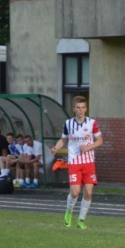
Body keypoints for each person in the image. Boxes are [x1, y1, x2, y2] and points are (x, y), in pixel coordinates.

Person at [51, 96, 103, 230]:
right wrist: (56, 148)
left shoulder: (92, 123)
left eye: (83, 107)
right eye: (78, 108)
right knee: (75, 192)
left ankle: (81, 220)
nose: (81, 110)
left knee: (88, 193)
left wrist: (88, 147)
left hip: (89, 162)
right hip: (74, 162)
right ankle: (69, 212)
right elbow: (63, 139)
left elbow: (100, 141)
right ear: (74, 109)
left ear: (86, 109)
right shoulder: (68, 123)